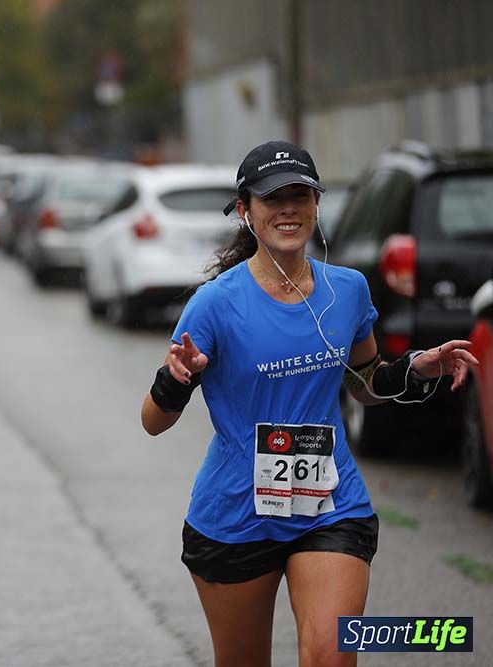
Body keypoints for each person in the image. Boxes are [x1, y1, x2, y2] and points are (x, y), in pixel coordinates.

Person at [139, 140, 479, 666]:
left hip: (329, 506)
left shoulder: (348, 291)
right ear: (246, 210)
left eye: (301, 194)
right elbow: (152, 423)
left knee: (331, 654)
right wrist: (175, 380)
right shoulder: (214, 304)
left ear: (317, 205)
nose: (289, 208)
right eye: (273, 198)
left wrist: (416, 368)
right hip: (235, 513)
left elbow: (365, 382)